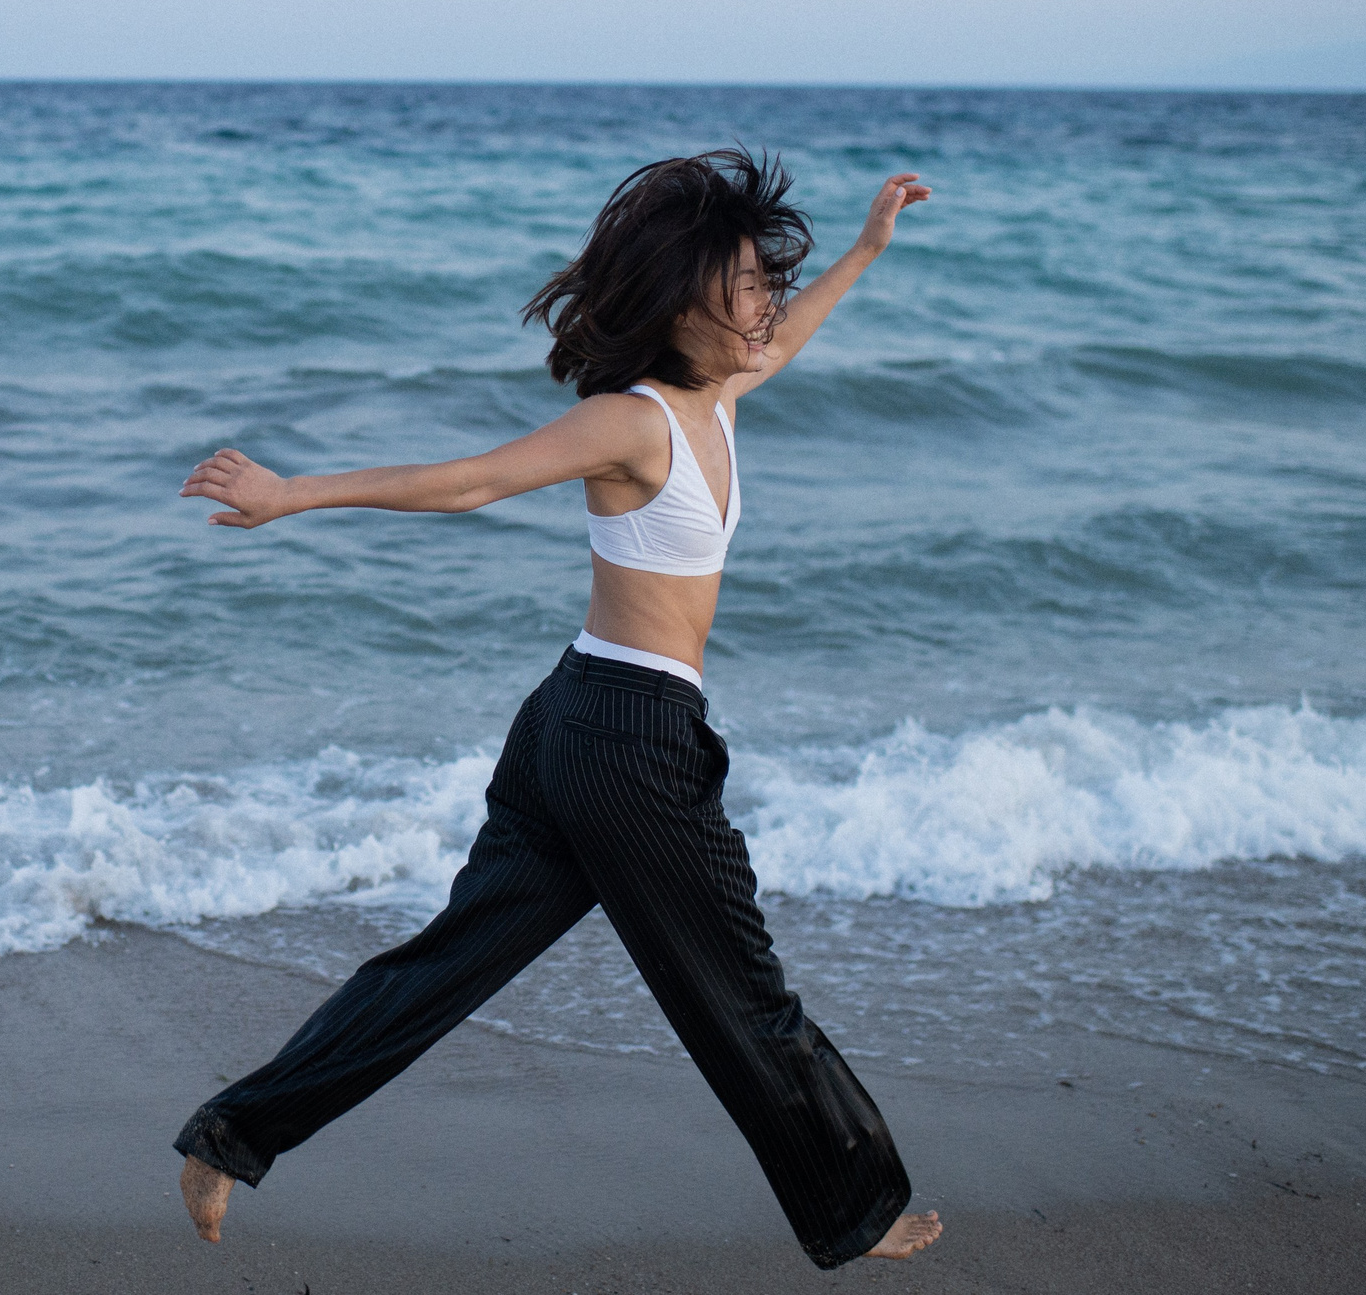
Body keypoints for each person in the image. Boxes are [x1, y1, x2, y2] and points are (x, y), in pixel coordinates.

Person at [172, 150, 941, 1269]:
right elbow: (473, 479)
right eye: (744, 283)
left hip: (576, 723)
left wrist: (867, 248)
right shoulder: (633, 423)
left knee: (447, 961)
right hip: (629, 742)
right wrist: (291, 493)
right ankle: (855, 1209)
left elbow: (793, 336)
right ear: (681, 305)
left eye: (764, 280)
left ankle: (231, 1135)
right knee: (743, 991)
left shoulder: (715, 397)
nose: (767, 301)